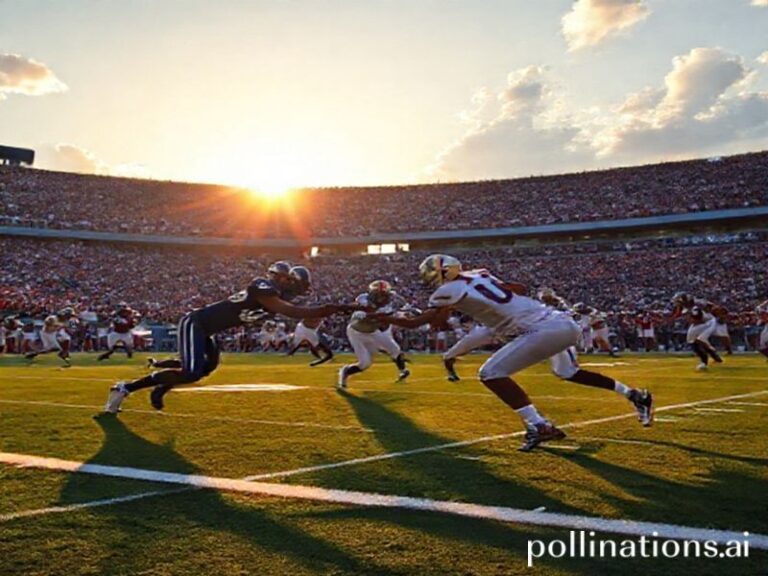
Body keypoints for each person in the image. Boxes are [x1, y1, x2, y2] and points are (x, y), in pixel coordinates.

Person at [374, 255, 653, 452]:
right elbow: (517, 289)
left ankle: (539, 425)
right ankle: (635, 396)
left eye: (431, 275)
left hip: (540, 329)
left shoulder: (446, 291)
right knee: (567, 372)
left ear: (443, 272)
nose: (429, 281)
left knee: (490, 373)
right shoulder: (480, 273)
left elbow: (423, 323)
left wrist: (378, 317)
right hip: (561, 322)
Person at [103, 261, 355, 413]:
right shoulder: (263, 287)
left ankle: (160, 385)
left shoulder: (280, 294)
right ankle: (125, 388)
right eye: (291, 282)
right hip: (196, 323)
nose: (293, 287)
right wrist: (327, 309)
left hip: (207, 330)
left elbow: (291, 306)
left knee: (204, 369)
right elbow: (292, 312)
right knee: (191, 371)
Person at [337, 280, 411, 389]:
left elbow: (397, 311)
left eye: (384, 295)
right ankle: (344, 372)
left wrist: (405, 313)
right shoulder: (363, 301)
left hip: (373, 331)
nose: (382, 298)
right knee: (364, 363)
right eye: (379, 295)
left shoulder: (388, 304)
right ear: (373, 295)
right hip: (356, 333)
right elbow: (353, 310)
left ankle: (402, 371)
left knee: (395, 349)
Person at [671, 292, 722, 370]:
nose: (678, 303)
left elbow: (698, 319)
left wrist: (714, 311)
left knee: (700, 340)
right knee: (691, 341)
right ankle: (715, 356)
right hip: (699, 323)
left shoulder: (696, 306)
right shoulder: (689, 306)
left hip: (708, 322)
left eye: (679, 301)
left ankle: (704, 361)